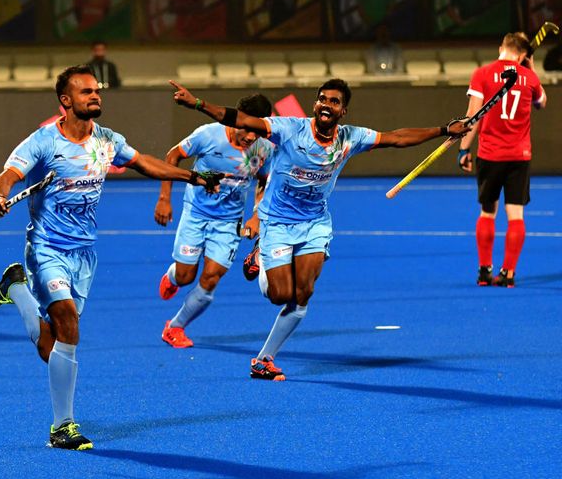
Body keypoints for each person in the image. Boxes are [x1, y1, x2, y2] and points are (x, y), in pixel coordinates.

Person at [0, 65, 222, 450]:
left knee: (52, 347)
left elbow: (143, 162)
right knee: (68, 323)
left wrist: (191, 177)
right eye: (86, 92)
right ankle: (62, 427)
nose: (95, 96)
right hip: (46, 248)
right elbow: (8, 175)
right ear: (66, 100)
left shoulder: (107, 140)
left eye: (97, 91)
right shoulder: (43, 142)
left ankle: (17, 290)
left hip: (83, 254)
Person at [169, 78, 470, 381]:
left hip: (314, 224)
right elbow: (241, 119)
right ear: (315, 104)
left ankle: (263, 360)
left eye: (334, 101)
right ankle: (260, 256)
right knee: (279, 295)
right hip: (277, 223)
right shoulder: (290, 129)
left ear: (343, 110)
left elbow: (397, 137)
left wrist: (444, 130)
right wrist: (198, 104)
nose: (326, 104)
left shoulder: (351, 138)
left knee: (303, 294)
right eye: (322, 99)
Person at [155, 94, 273, 348]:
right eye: (246, 129)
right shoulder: (208, 134)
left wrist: (256, 215)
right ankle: (173, 278)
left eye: (256, 131)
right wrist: (164, 198)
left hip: (229, 223)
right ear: (236, 119)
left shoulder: (264, 147)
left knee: (211, 278)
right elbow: (173, 156)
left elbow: (264, 180)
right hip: (196, 214)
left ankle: (175, 327)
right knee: (185, 276)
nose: (251, 137)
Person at [458, 32, 547, 288]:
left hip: (490, 154)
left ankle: (484, 271)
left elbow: (473, 116)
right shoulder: (529, 77)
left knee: (487, 212)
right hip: (519, 156)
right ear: (522, 55)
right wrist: (531, 69)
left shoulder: (482, 74)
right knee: (516, 215)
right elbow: (542, 102)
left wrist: (464, 149)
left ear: (501, 48)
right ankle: (508, 273)